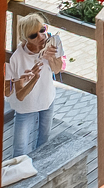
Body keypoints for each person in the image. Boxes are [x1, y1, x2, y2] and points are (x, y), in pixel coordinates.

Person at [4, 15, 66, 164]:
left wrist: (51, 58)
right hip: (25, 106)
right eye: (34, 35)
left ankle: (39, 171)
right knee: (20, 149)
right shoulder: (17, 57)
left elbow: (57, 70)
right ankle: (18, 178)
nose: (41, 36)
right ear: (25, 39)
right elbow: (7, 90)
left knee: (43, 142)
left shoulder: (53, 43)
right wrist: (20, 81)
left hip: (46, 99)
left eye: (42, 30)